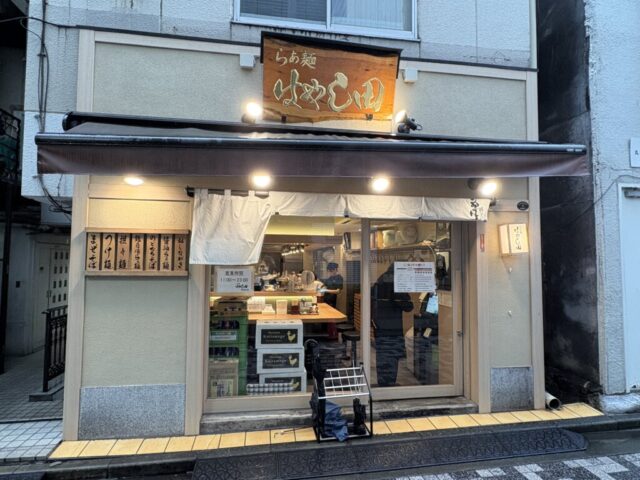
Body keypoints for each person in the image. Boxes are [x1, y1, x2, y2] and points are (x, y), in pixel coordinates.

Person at [371, 263, 414, 387]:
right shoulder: (396, 283)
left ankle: (382, 383)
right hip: (392, 326)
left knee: (381, 355)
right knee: (391, 356)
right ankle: (389, 386)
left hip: (379, 324)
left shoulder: (380, 279)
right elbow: (408, 306)